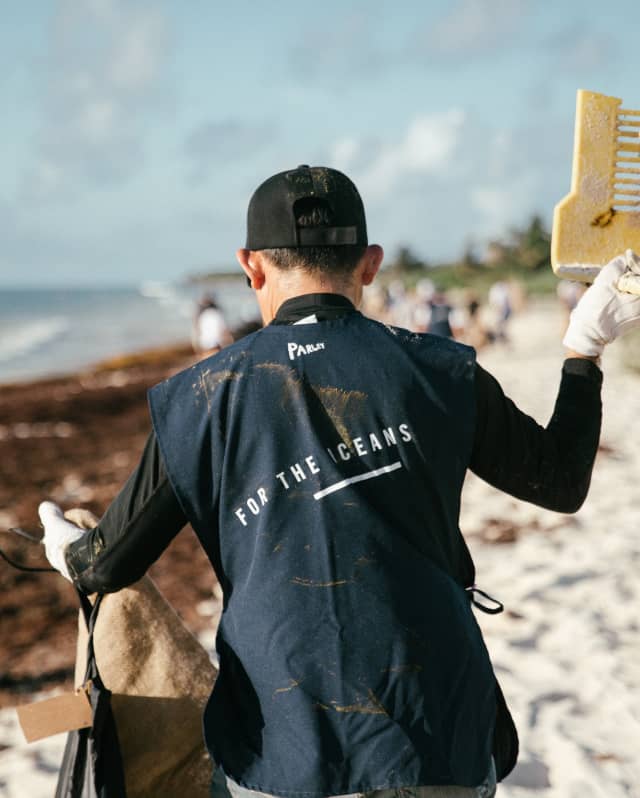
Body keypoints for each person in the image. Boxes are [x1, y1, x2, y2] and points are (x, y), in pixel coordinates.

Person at [37, 164, 640, 798]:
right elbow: (559, 481)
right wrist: (583, 348)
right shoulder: (439, 368)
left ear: (251, 266)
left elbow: (106, 564)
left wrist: (62, 542)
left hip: (280, 743)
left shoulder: (199, 398)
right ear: (370, 264)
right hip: (437, 729)